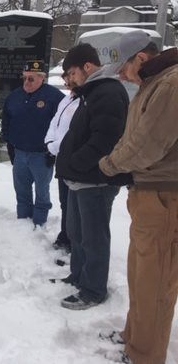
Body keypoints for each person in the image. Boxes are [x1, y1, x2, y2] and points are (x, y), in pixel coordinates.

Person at [98, 30, 178, 364]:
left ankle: (145, 356)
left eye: (123, 68)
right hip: (148, 194)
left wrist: (108, 165)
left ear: (141, 59)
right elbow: (134, 137)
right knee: (140, 275)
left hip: (164, 197)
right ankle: (134, 338)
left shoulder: (170, 85)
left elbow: (147, 146)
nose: (121, 76)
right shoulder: (152, 84)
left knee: (155, 284)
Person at [55, 42, 130, 311]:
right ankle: (78, 276)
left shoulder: (107, 92)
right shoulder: (91, 92)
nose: (70, 80)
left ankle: (93, 289)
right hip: (80, 179)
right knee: (76, 232)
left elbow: (104, 139)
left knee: (94, 237)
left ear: (88, 67)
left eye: (72, 73)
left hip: (96, 180)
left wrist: (76, 162)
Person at [2, 61, 64, 227]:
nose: (26, 82)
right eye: (25, 78)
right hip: (20, 153)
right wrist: (9, 143)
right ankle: (22, 222)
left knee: (42, 192)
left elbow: (63, 125)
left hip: (41, 155)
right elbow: (6, 120)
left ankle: (39, 224)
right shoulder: (15, 96)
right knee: (21, 190)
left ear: (42, 78)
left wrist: (53, 151)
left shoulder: (55, 97)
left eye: (31, 79)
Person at [44, 69, 80, 252]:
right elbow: (54, 124)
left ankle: (72, 239)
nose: (67, 84)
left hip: (70, 156)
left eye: (69, 80)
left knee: (73, 204)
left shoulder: (83, 101)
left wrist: (56, 145)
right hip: (61, 156)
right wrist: (50, 141)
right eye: (65, 81)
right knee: (65, 201)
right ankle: (65, 234)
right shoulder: (67, 99)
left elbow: (72, 132)